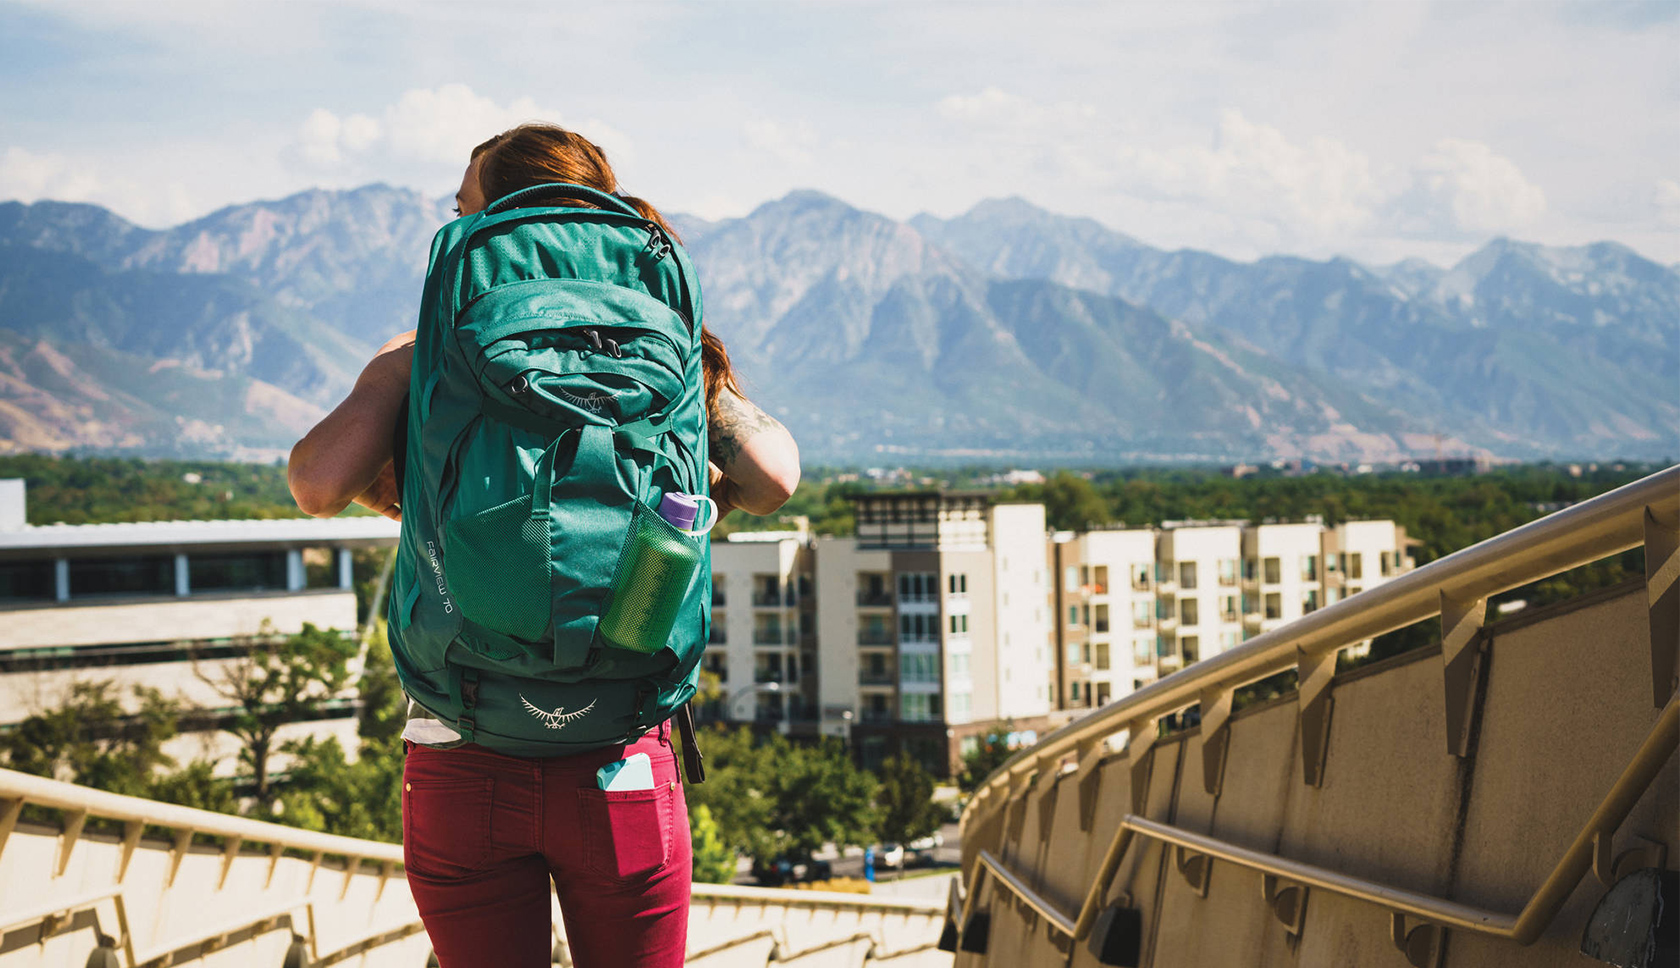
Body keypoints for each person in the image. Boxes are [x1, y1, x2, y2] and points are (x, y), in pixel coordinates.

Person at [288, 124, 799, 968]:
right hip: (623, 757)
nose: (459, 221)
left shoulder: (423, 355)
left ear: (500, 219)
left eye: (465, 207)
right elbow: (775, 475)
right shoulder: (664, 348)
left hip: (462, 750)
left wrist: (414, 483)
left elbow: (315, 484)